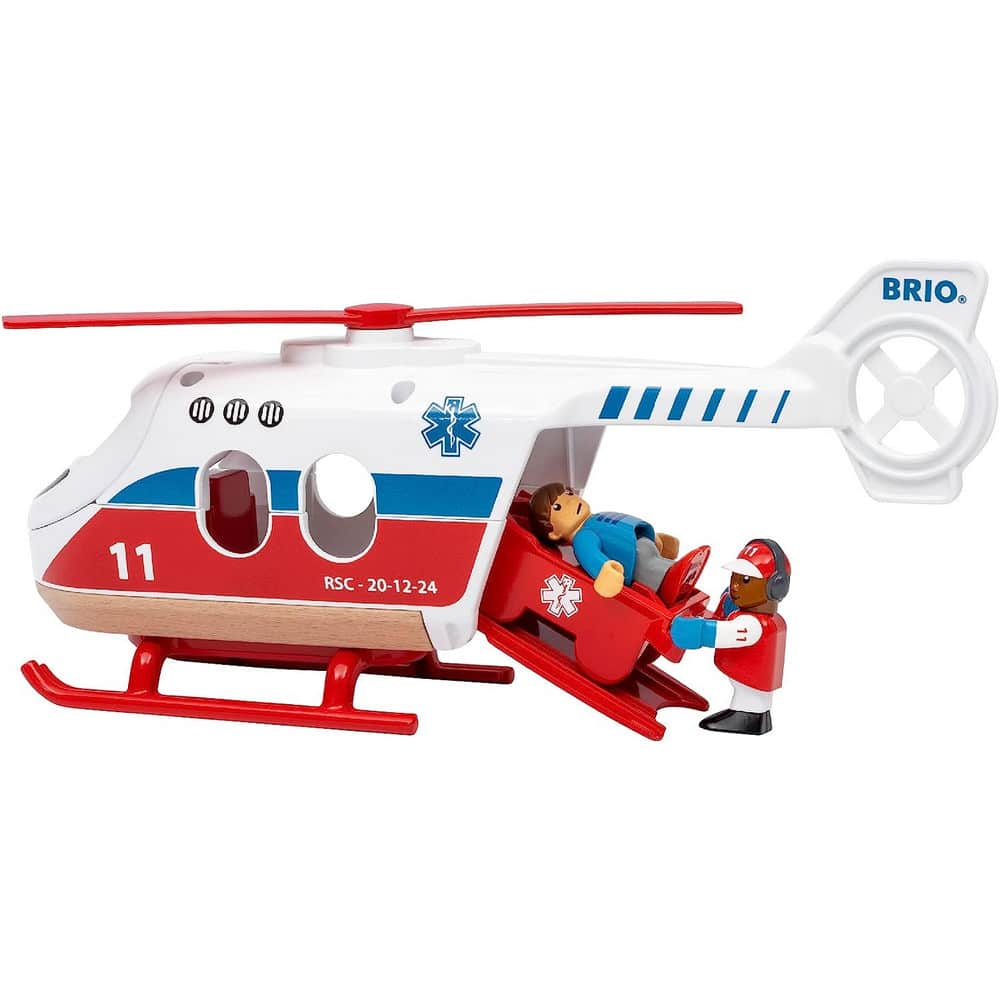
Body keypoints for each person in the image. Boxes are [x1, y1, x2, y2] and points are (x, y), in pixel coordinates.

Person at [670, 538, 790, 735]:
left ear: (775, 587)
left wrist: (698, 631)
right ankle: (745, 712)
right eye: (735, 577)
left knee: (748, 696)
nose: (734, 586)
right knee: (745, 692)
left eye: (745, 580)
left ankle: (748, 717)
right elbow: (723, 621)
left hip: (752, 687)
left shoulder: (753, 625)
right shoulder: (751, 616)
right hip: (748, 682)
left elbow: (724, 632)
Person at [527, 483, 680, 601]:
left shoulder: (595, 519)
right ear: (554, 533)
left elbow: (622, 527)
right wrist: (605, 571)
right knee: (660, 572)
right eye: (558, 507)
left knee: (662, 564)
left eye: (569, 494)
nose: (570, 501)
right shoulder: (583, 538)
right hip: (639, 564)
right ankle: (675, 578)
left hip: (646, 550)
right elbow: (592, 556)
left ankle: (675, 568)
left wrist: (655, 540)